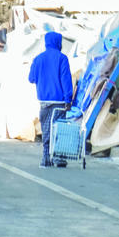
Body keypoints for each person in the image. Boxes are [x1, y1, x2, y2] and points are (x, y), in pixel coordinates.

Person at [28, 30, 74, 167]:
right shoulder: (62, 58)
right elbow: (66, 80)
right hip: (59, 102)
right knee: (58, 129)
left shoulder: (38, 59)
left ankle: (46, 157)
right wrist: (68, 99)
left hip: (44, 101)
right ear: (58, 43)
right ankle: (58, 158)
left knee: (47, 129)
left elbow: (31, 78)